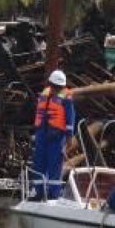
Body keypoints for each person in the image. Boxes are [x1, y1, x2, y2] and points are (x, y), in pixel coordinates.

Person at [30, 69, 75, 200]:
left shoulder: (67, 98)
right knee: (38, 163)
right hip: (42, 134)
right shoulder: (44, 95)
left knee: (54, 165)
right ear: (51, 84)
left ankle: (53, 194)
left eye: (59, 87)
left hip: (57, 136)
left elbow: (70, 118)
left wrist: (69, 136)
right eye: (55, 86)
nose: (57, 89)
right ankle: (38, 192)